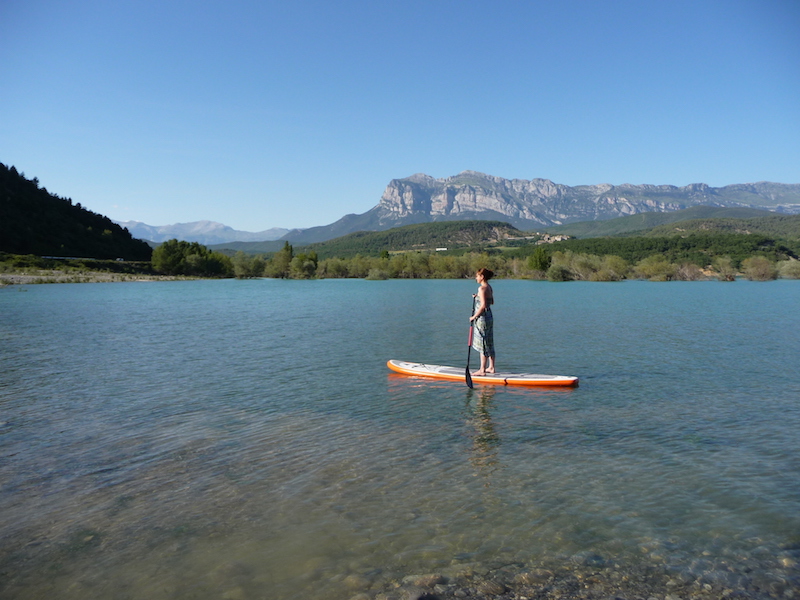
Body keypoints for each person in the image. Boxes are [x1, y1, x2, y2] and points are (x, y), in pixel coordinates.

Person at [470, 268, 496, 375]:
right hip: (489, 316)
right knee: (489, 341)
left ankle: (482, 370)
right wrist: (478, 297)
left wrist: (473, 317)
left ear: (482, 277)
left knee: (483, 343)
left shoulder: (481, 288)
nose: (476, 278)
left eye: (477, 276)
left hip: (482, 318)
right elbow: (491, 302)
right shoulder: (489, 287)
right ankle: (491, 367)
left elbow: (483, 305)